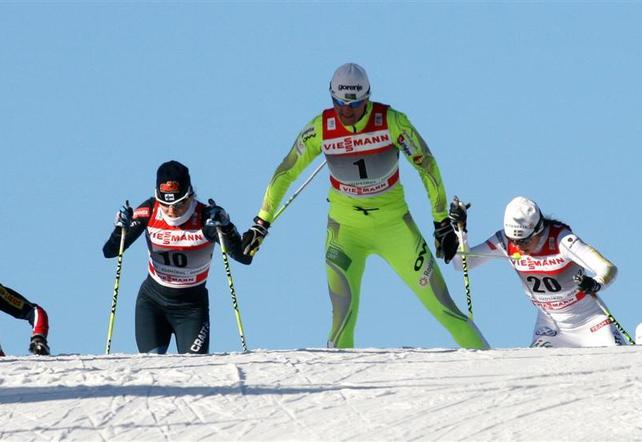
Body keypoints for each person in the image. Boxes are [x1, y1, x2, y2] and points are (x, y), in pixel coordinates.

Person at [241, 62, 488, 349]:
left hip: (395, 228)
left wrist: (441, 221)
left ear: (367, 98)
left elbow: (427, 167)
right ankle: (338, 391)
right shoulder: (321, 128)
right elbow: (286, 172)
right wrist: (261, 222)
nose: (346, 112)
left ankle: (497, 369)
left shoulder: (392, 122)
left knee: (445, 309)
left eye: (354, 105)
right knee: (342, 319)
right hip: (345, 233)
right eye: (339, 104)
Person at [102, 160, 252, 354]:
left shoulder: (205, 218)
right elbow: (110, 251)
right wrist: (119, 229)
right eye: (165, 204)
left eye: (179, 204)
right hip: (152, 303)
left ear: (190, 195)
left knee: (194, 371)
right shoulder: (148, 211)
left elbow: (243, 257)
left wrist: (227, 226)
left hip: (191, 309)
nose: (172, 211)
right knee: (152, 370)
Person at [448, 196, 623, 347]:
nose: (517, 246)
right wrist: (460, 230)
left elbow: (608, 268)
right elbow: (464, 264)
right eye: (513, 240)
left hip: (592, 323)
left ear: (538, 230)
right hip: (550, 328)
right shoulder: (504, 242)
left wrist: (595, 283)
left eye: (523, 241)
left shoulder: (561, 240)